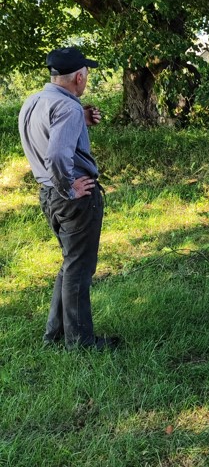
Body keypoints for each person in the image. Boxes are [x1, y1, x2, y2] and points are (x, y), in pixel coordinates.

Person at [18, 47, 120, 351]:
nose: (86, 78)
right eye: (86, 73)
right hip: (72, 198)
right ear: (79, 76)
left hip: (48, 195)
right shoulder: (67, 108)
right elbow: (58, 154)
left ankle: (55, 334)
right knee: (79, 269)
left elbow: (46, 137)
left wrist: (81, 121)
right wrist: (69, 188)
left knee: (70, 263)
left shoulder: (35, 101)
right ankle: (81, 343)